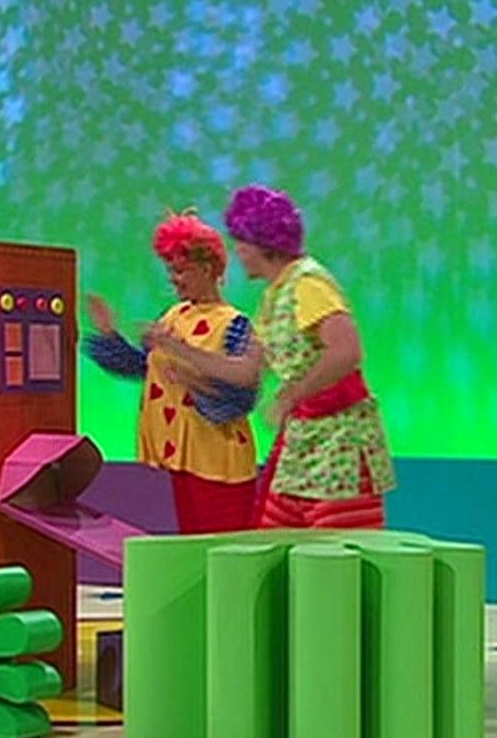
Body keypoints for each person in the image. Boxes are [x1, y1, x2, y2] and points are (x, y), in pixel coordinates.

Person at [147, 185, 396, 529]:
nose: (238, 253)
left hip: (338, 441)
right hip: (303, 441)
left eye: (241, 244)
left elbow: (346, 351)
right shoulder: (274, 295)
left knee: (332, 547)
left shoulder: (307, 283)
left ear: (262, 244)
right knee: (271, 540)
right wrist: (177, 349)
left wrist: (292, 395)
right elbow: (246, 371)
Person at [83, 209, 260, 534]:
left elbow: (242, 396)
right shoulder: (172, 317)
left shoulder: (234, 325)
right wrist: (109, 335)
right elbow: (147, 369)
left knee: (222, 547)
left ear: (207, 269)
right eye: (170, 271)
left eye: (180, 270)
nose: (173, 279)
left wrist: (195, 381)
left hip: (219, 463)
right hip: (181, 460)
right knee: (190, 543)